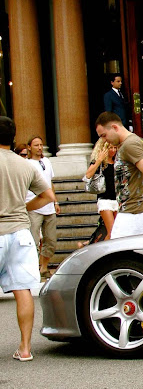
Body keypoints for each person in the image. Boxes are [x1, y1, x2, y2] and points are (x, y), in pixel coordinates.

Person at [0, 116, 55, 362]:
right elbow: (48, 196)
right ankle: (25, 348)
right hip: (21, 233)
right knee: (22, 291)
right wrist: (25, 208)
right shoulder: (25, 165)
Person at [25, 135, 60, 278]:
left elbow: (49, 183)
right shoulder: (27, 164)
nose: (39, 148)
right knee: (33, 240)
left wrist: (55, 201)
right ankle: (33, 268)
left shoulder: (46, 161)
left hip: (49, 206)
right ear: (29, 147)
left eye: (41, 145)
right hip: (34, 205)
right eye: (35, 145)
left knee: (50, 239)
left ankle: (43, 267)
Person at [80, 139, 118, 246]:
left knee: (115, 231)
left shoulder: (117, 162)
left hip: (116, 199)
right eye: (110, 148)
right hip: (105, 200)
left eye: (115, 148)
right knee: (111, 232)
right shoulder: (99, 162)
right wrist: (99, 160)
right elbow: (87, 175)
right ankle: (105, 255)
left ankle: (92, 244)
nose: (113, 150)